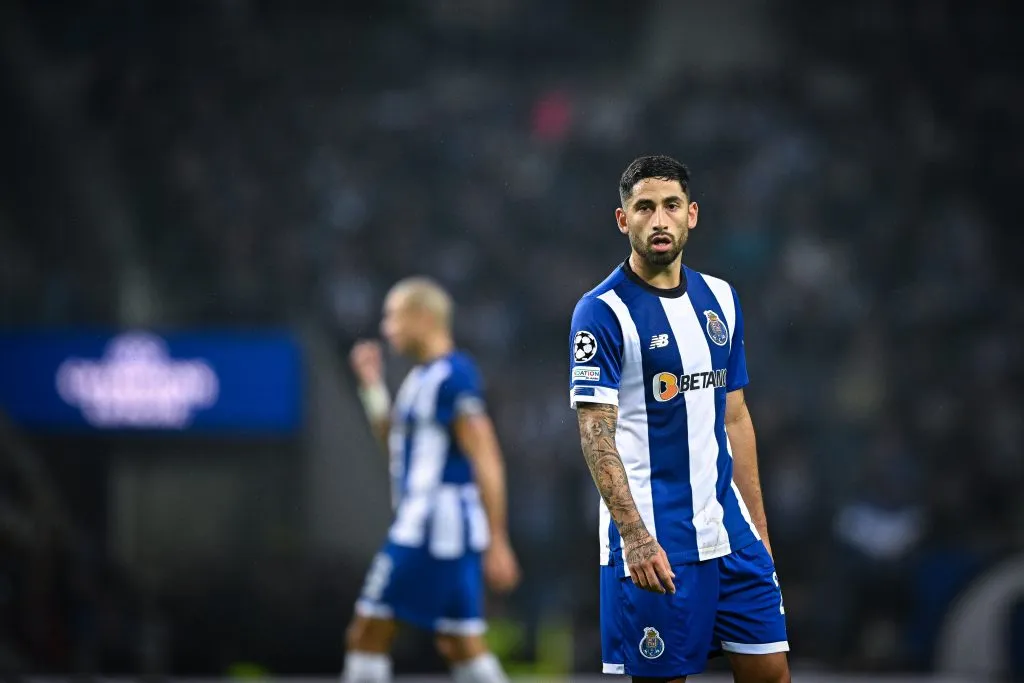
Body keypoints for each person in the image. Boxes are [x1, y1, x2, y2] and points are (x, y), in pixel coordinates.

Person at [568, 156, 791, 682]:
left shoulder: (721, 299)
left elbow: (736, 419)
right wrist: (636, 538)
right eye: (644, 208)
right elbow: (594, 433)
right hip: (656, 540)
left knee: (772, 675)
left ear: (692, 215)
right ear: (624, 220)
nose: (659, 220)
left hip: (729, 531)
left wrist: (758, 527)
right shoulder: (601, 312)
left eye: (671, 206)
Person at [344, 276, 520, 683]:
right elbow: (397, 444)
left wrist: (498, 538)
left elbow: (487, 455)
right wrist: (372, 386)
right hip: (437, 526)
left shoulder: (455, 375)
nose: (387, 328)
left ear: (423, 317)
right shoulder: (419, 379)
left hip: (431, 527)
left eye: (393, 316)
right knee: (459, 643)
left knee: (367, 632)